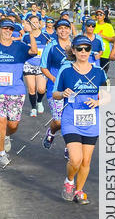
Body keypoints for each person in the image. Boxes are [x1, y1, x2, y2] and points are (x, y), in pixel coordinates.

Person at [53, 34, 108, 204]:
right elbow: (55, 94)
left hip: (92, 121)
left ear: (91, 51)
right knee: (75, 159)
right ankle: (69, 181)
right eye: (80, 49)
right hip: (71, 119)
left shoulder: (98, 72)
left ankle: (79, 190)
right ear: (74, 51)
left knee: (86, 160)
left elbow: (108, 97)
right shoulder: (66, 70)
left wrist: (98, 101)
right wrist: (63, 93)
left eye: (87, 48)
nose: (84, 52)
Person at [0, 17, 38, 168]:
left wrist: (30, 33)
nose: (8, 31)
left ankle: (6, 136)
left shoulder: (20, 46)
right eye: (5, 28)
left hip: (16, 90)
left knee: (13, 124)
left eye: (11, 29)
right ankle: (1, 153)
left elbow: (34, 51)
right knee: (1, 121)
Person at [40, 18, 73, 151]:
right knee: (59, 121)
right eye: (60, 28)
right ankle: (51, 132)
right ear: (56, 31)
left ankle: (69, 148)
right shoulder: (51, 46)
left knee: (71, 119)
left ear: (70, 30)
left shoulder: (76, 46)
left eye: (66, 28)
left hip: (73, 89)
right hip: (55, 89)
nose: (63, 31)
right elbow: (43, 67)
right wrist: (54, 79)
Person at [22, 13, 50, 115]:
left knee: (41, 89)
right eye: (32, 22)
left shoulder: (45, 36)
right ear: (29, 24)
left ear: (39, 24)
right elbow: (23, 50)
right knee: (31, 88)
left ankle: (39, 101)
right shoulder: (25, 36)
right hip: (29, 64)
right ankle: (33, 108)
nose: (34, 24)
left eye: (36, 22)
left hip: (41, 65)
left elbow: (50, 50)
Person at [93, 9, 115, 74]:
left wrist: (103, 36)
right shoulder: (93, 25)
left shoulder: (108, 26)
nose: (99, 16)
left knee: (103, 73)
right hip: (94, 53)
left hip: (105, 54)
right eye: (97, 15)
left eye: (101, 14)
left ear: (104, 16)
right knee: (94, 73)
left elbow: (113, 40)